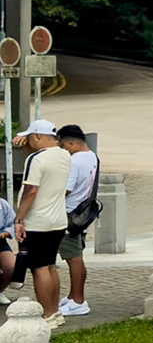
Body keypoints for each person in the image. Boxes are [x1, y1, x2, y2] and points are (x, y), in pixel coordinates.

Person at [12, 120, 72, 326]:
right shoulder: (64, 154)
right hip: (57, 220)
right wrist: (25, 146)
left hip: (37, 221)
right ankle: (55, 311)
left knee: (39, 268)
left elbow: (31, 190)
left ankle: (46, 315)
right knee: (50, 265)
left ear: (36, 137)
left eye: (29, 137)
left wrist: (19, 219)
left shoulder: (36, 159)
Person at [55, 125, 97, 317]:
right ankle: (73, 297)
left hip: (69, 214)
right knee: (77, 256)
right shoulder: (92, 157)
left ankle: (78, 301)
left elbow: (66, 189)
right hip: (83, 215)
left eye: (63, 146)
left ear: (71, 143)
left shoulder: (74, 161)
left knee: (74, 258)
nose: (63, 150)